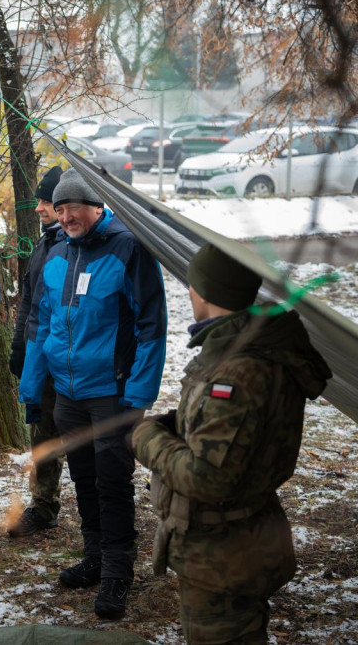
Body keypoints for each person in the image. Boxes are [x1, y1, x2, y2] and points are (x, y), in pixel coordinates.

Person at [132, 244, 330, 644]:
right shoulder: (241, 349)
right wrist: (178, 423)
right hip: (235, 544)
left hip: (223, 556)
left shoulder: (237, 372)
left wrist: (147, 439)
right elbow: (240, 433)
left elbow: (208, 479)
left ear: (203, 292)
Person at [19, 168, 167, 619]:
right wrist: (32, 383)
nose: (65, 216)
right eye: (59, 209)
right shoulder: (58, 253)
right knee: (84, 478)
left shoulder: (128, 249)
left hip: (113, 393)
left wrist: (138, 394)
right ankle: (96, 557)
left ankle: (120, 572)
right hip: (67, 394)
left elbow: (150, 326)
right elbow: (43, 323)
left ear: (96, 206)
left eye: (73, 207)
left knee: (112, 481)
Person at [8, 166, 66, 537]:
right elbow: (28, 302)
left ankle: (102, 508)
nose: (39, 208)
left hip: (74, 361)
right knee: (43, 432)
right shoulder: (44, 243)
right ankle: (44, 505)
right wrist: (19, 346)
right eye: (41, 200)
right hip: (41, 356)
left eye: (46, 201)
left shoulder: (81, 244)